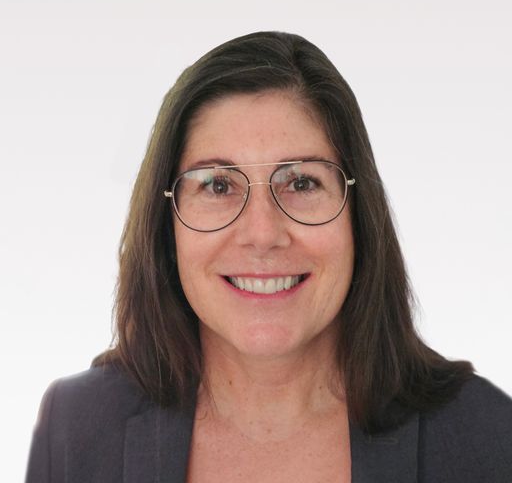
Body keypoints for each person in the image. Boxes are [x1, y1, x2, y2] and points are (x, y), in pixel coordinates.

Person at [26, 31, 512, 483]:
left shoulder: (487, 438)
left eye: (301, 182)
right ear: (165, 223)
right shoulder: (74, 430)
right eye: (218, 185)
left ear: (359, 215)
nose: (262, 234)